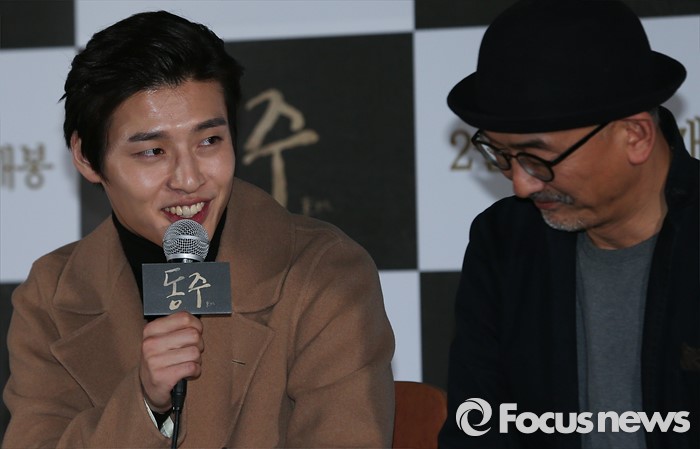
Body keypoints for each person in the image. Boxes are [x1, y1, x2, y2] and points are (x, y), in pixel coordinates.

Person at [2, 10, 395, 449]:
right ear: (86, 158)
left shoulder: (324, 273)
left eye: (209, 141)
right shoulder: (51, 295)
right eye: (153, 151)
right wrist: (146, 407)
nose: (189, 179)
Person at [438, 1, 698, 448]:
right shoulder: (504, 240)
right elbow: (475, 431)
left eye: (538, 157)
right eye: (502, 155)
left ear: (635, 136)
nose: (521, 184)